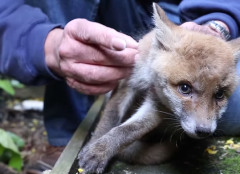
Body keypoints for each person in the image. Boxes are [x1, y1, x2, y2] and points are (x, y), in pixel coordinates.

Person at [0, 0, 240, 153]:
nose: (205, 123)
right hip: (123, 13)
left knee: (229, 116)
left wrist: (219, 22)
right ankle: (67, 138)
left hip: (194, 15)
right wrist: (45, 43)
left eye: (219, 94)